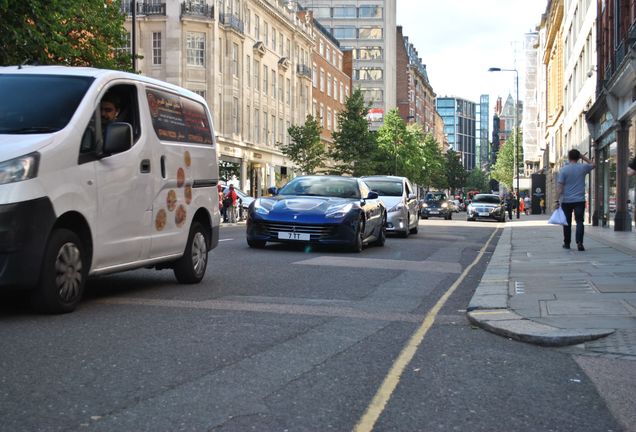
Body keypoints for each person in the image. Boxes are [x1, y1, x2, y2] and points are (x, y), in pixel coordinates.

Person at [556, 149, 595, 251]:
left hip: (566, 201)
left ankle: (567, 243)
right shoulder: (583, 167)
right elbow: (594, 164)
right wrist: (583, 157)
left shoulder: (563, 170)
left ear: (568, 157)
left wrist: (557, 200)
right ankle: (580, 243)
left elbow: (560, 187)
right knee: (579, 222)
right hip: (579, 200)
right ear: (578, 158)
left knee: (567, 223)